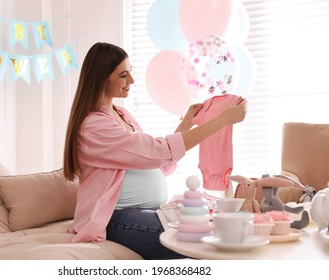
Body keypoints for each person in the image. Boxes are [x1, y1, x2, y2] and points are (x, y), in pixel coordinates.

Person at [63, 42, 247, 259]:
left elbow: (155, 162)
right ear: (101, 78)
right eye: (123, 75)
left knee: (213, 225)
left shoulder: (121, 114)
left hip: (144, 211)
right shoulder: (94, 126)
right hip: (114, 217)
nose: (131, 81)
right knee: (198, 240)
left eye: (130, 72)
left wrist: (187, 123)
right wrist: (222, 120)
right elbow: (155, 152)